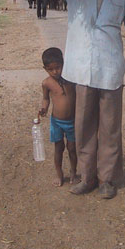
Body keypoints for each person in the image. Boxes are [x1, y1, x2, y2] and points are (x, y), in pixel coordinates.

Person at [25, 0, 125, 199]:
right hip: (80, 71)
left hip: (109, 70)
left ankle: (107, 179)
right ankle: (87, 177)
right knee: (84, 127)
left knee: (109, 128)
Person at [38, 47, 78, 187]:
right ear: (45, 69)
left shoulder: (71, 79)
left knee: (72, 148)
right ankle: (59, 174)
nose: (55, 72)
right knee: (58, 148)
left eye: (58, 67)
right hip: (57, 122)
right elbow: (46, 99)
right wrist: (44, 108)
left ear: (63, 64)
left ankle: (73, 172)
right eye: (51, 69)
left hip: (72, 121)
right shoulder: (46, 83)